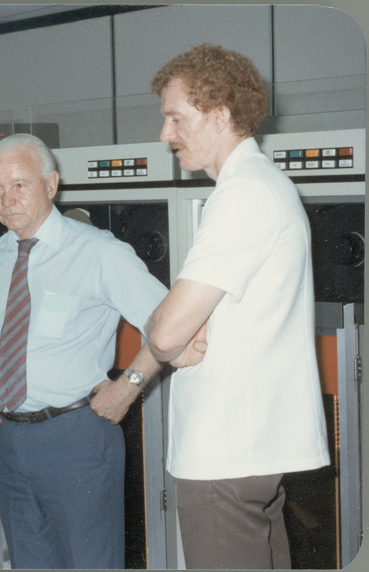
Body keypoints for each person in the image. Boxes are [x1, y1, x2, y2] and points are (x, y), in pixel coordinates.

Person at [94, 44, 330, 569]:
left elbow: (168, 329)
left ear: (220, 115)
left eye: (176, 118)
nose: (164, 134)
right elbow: (178, 325)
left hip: (226, 453)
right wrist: (176, 326)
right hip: (248, 449)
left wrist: (163, 335)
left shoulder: (243, 195)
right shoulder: (261, 187)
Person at [0, 133, 168, 569]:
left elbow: (173, 326)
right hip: (7, 440)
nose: (5, 199)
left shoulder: (99, 252)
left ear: (51, 185)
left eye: (19, 184)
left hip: (76, 439)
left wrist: (127, 388)